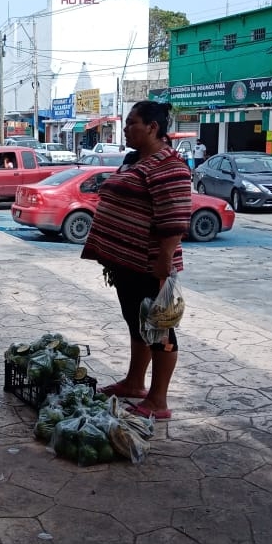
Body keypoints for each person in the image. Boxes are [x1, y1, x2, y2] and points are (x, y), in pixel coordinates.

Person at [81, 100, 191, 420]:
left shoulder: (169, 165)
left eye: (132, 123)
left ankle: (158, 401)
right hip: (126, 263)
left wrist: (164, 262)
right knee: (137, 323)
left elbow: (174, 221)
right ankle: (134, 382)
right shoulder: (134, 159)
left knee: (160, 329)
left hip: (151, 263)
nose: (126, 129)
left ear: (152, 128)